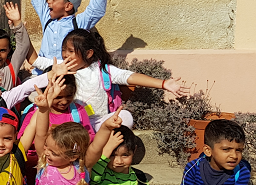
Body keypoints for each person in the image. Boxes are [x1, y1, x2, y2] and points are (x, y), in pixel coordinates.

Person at [50, 29, 189, 130]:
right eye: (63, 50)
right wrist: (53, 74)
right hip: (74, 124)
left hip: (101, 122)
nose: (65, 55)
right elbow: (39, 67)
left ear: (88, 53)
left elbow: (129, 76)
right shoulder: (60, 69)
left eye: (70, 51)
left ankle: (103, 143)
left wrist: (164, 83)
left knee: (125, 116)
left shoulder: (103, 70)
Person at [17, 73, 93, 146]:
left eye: (69, 96)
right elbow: (22, 141)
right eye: (58, 97)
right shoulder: (33, 112)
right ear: (46, 92)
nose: (64, 102)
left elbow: (91, 136)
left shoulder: (79, 111)